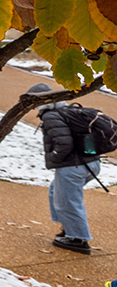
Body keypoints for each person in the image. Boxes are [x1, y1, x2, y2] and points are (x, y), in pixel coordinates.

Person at [31, 83, 98, 255]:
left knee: (68, 202)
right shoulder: (67, 111)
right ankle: (69, 229)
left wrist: (54, 159)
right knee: (56, 191)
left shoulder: (51, 116)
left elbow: (64, 144)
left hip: (73, 166)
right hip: (91, 163)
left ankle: (78, 239)